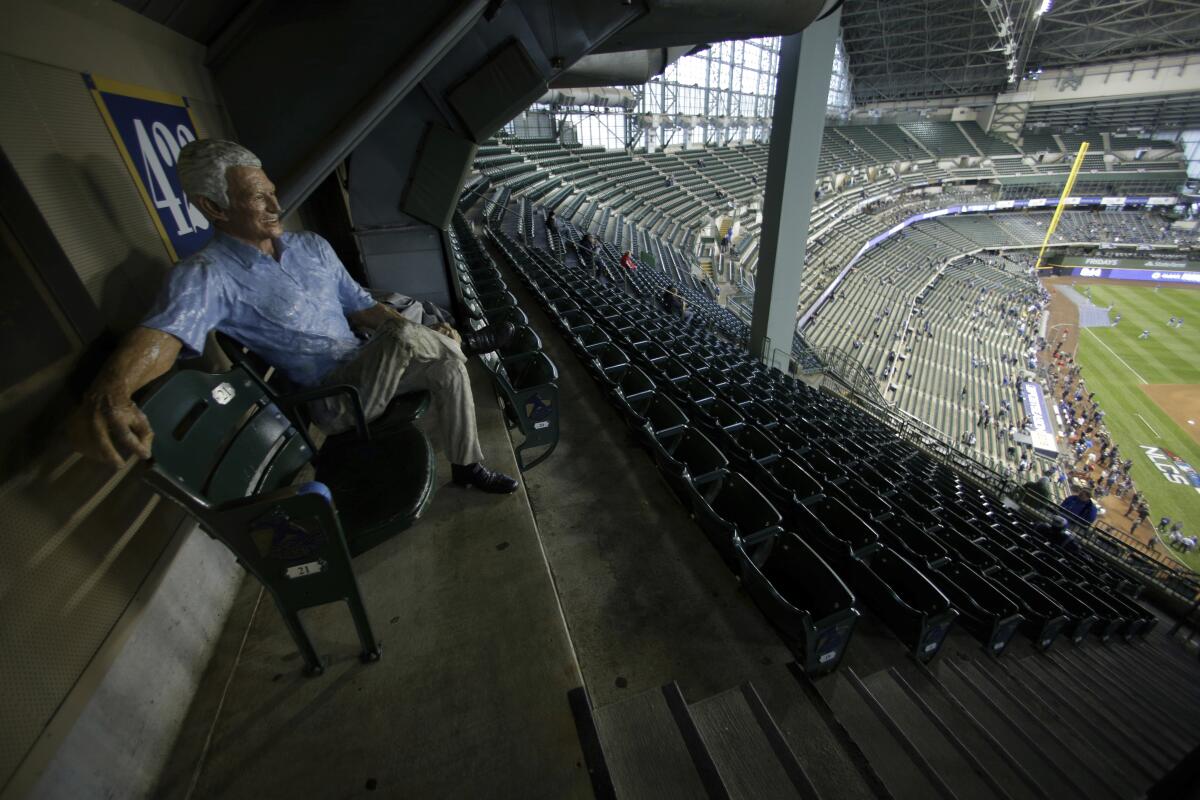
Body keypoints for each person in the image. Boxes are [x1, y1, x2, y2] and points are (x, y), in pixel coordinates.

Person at [67, 139, 518, 493]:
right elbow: (162, 335)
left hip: (371, 365)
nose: (274, 205)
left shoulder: (312, 248)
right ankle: (461, 342)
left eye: (272, 193)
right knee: (408, 337)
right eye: (257, 198)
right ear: (214, 207)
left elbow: (363, 308)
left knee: (445, 361)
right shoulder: (207, 275)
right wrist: (114, 392)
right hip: (337, 400)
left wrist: (426, 339)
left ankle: (467, 465)